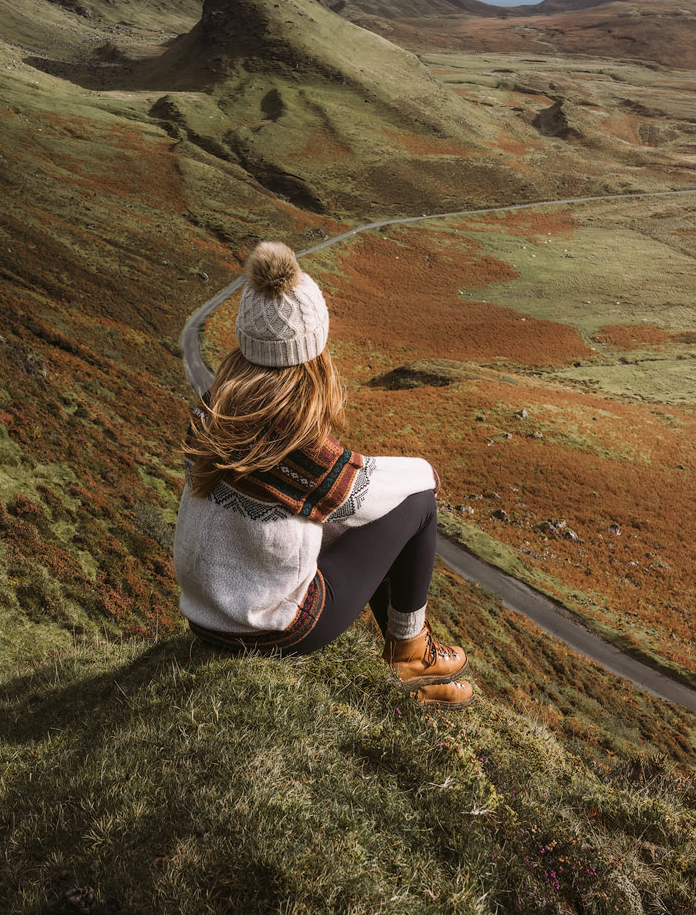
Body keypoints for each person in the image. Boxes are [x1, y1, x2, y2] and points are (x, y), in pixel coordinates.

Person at [173, 240, 473, 707]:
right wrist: (425, 472)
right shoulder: (289, 431)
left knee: (367, 508)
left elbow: (326, 494)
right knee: (415, 503)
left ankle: (412, 646)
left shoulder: (215, 408)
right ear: (311, 349)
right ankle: (410, 653)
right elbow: (366, 492)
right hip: (270, 629)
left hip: (206, 616)